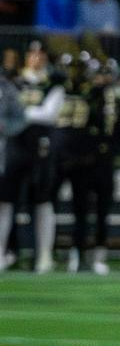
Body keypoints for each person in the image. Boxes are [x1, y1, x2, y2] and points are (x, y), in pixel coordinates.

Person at [1, 41, 65, 271]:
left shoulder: (53, 83)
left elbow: (50, 114)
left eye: (40, 54)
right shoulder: (13, 82)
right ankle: (2, 252)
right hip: (15, 145)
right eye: (32, 54)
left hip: (40, 146)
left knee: (43, 199)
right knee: (5, 199)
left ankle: (44, 255)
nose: (35, 58)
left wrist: (19, 115)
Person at [56, 53, 119, 273]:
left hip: (105, 161)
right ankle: (78, 252)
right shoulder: (88, 96)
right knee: (81, 209)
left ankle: (99, 254)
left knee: (103, 209)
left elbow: (119, 130)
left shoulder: (112, 97)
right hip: (85, 161)